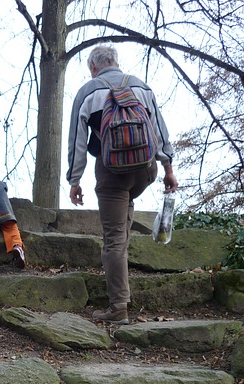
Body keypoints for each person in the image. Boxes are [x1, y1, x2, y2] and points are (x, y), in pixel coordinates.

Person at [67, 44, 179, 324]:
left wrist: (74, 180)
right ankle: (123, 270)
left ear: (93, 67)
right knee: (124, 214)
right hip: (145, 170)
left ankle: (118, 307)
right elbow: (160, 130)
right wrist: (168, 169)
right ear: (116, 62)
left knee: (114, 239)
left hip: (112, 171)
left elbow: (77, 142)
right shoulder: (141, 87)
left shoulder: (88, 91)